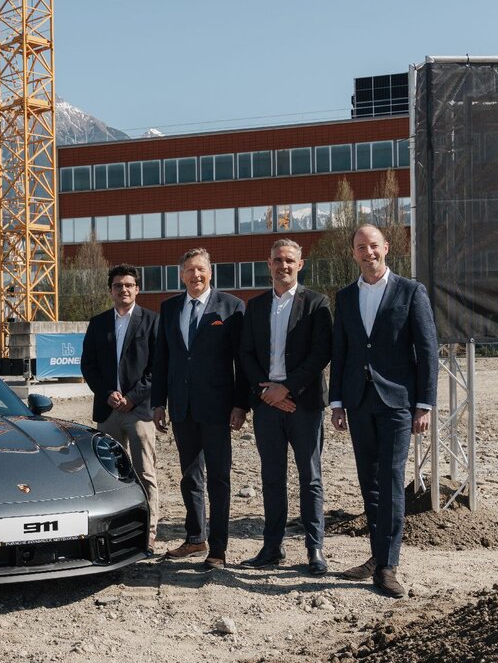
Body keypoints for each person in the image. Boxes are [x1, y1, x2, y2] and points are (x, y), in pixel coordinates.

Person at [331, 224, 438, 598]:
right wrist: (337, 402)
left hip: (398, 404)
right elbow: (340, 352)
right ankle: (377, 557)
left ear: (386, 248)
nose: (368, 253)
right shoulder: (344, 298)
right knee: (369, 484)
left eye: (373, 246)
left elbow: (427, 351)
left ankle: (388, 566)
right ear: (354, 253)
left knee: (392, 483)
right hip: (358, 403)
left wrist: (424, 404)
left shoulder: (411, 292)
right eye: (361, 247)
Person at [239, 240, 332, 576]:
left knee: (310, 478)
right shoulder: (256, 305)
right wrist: (265, 392)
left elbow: (320, 354)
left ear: (300, 263)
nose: (283, 266)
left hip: (302, 404)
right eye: (278, 260)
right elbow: (245, 354)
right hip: (267, 405)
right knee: (272, 478)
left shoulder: (317, 304)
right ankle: (272, 546)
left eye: (290, 260)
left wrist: (287, 388)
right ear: (269, 263)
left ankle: (314, 548)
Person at [152, 248, 248, 570]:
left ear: (210, 272)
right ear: (181, 275)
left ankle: (217, 549)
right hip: (182, 407)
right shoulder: (169, 309)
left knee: (219, 478)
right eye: (190, 270)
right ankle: (196, 538)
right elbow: (162, 360)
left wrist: (240, 404)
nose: (196, 276)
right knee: (190, 476)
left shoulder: (231, 307)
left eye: (201, 270)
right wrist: (158, 403)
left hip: (218, 408)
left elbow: (241, 362)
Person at [80, 264, 161, 550]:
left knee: (145, 473)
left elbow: (157, 368)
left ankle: (149, 531)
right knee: (108, 474)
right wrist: (106, 394)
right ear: (110, 290)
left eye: (128, 285)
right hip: (108, 411)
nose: (123, 289)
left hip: (139, 411)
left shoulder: (152, 321)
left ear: (137, 289)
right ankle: (112, 531)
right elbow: (88, 365)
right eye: (118, 285)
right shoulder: (98, 323)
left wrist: (133, 397)